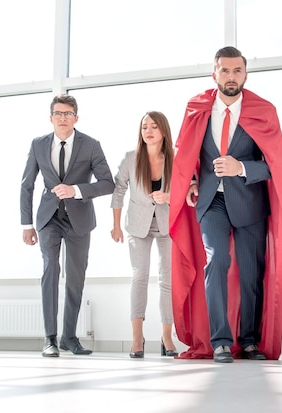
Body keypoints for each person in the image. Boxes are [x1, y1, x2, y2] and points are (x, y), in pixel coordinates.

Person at [169, 46, 282, 363]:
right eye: (225, 70)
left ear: (245, 75)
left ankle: (248, 341)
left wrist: (243, 168)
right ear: (214, 74)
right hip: (211, 202)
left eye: (237, 71)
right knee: (217, 260)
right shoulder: (196, 108)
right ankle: (220, 340)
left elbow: (275, 165)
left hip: (250, 204)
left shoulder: (264, 111)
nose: (231, 76)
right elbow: (187, 155)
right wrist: (192, 181)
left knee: (251, 274)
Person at [20, 94, 115, 357]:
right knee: (51, 269)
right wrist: (27, 224)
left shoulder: (91, 145)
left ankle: (69, 337)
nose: (63, 118)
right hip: (48, 218)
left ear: (76, 117)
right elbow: (27, 185)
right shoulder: (38, 144)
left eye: (68, 113)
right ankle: (49, 338)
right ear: (51, 117)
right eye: (58, 113)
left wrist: (75, 190)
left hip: (79, 220)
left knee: (75, 277)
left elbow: (107, 183)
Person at [110, 111, 178, 359]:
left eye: (153, 127)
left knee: (167, 280)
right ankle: (137, 338)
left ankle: (167, 336)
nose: (148, 131)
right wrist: (116, 225)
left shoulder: (175, 157)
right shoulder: (131, 158)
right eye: (144, 127)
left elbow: (189, 188)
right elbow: (119, 191)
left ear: (163, 131)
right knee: (139, 276)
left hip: (167, 225)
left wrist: (168, 197)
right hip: (136, 226)